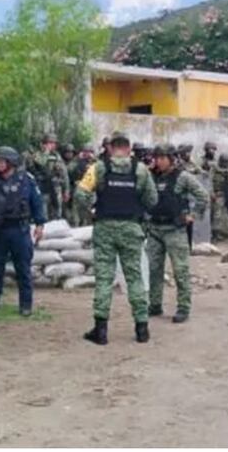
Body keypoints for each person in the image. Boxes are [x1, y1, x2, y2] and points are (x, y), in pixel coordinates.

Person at [74, 131, 157, 345]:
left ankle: (100, 330)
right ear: (128, 148)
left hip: (105, 228)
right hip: (131, 228)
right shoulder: (141, 170)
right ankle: (142, 328)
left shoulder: (98, 167)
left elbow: (81, 194)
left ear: (110, 148)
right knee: (135, 277)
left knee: (104, 278)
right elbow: (152, 199)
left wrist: (92, 210)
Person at [146, 143, 209, 323]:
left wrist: (193, 215)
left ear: (171, 159)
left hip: (175, 231)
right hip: (155, 230)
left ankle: (183, 307)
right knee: (153, 269)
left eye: (162, 158)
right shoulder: (151, 176)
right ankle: (155, 304)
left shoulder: (182, 177)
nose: (158, 161)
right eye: (156, 158)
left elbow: (203, 196)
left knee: (180, 270)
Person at [0, 147, 46, 316]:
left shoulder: (26, 180)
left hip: (19, 229)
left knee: (23, 268)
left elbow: (37, 202)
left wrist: (40, 224)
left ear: (11, 162)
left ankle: (25, 304)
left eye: (2, 161)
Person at [34, 134, 69, 221]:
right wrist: (46, 152)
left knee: (57, 213)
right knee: (44, 213)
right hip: (43, 188)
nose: (53, 145)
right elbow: (40, 163)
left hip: (56, 188)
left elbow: (64, 173)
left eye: (54, 143)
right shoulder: (38, 154)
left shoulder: (57, 156)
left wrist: (66, 190)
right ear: (44, 144)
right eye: (50, 142)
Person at [68, 146, 96, 227]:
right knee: (76, 213)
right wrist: (77, 158)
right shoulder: (77, 161)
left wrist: (94, 159)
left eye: (90, 152)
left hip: (91, 191)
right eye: (86, 152)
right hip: (79, 189)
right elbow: (69, 169)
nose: (88, 154)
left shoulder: (95, 162)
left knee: (88, 212)